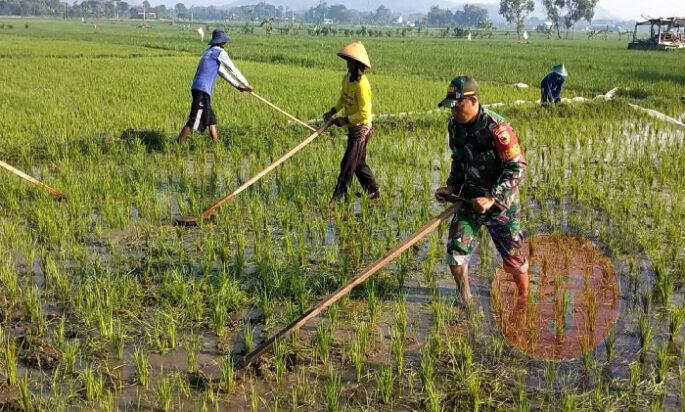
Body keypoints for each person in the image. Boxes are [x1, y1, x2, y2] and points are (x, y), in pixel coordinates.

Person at [434, 76, 529, 307]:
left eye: (458, 106)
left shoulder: (497, 128)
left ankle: (524, 298)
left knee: (514, 258)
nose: (454, 111)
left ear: (473, 100)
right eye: (452, 107)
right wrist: (452, 186)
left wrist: (492, 197)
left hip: (500, 205)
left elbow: (517, 167)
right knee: (456, 251)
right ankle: (464, 296)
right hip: (469, 201)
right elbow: (458, 160)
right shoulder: (454, 126)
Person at [322, 42, 380, 201]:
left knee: (347, 165)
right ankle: (374, 192)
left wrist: (344, 120)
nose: (347, 64)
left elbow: (363, 113)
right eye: (347, 60)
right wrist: (332, 112)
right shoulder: (347, 79)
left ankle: (337, 200)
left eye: (350, 61)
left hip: (361, 129)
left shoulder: (362, 85)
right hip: (353, 127)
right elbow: (343, 98)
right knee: (359, 163)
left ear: (358, 64)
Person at [178, 28, 253, 145]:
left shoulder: (209, 52)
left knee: (211, 119)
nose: (225, 44)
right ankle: (177, 146)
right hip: (202, 90)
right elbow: (232, 69)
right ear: (221, 42)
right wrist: (247, 83)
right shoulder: (220, 52)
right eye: (224, 42)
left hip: (199, 89)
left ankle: (216, 145)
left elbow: (222, 72)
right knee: (194, 119)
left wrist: (238, 86)